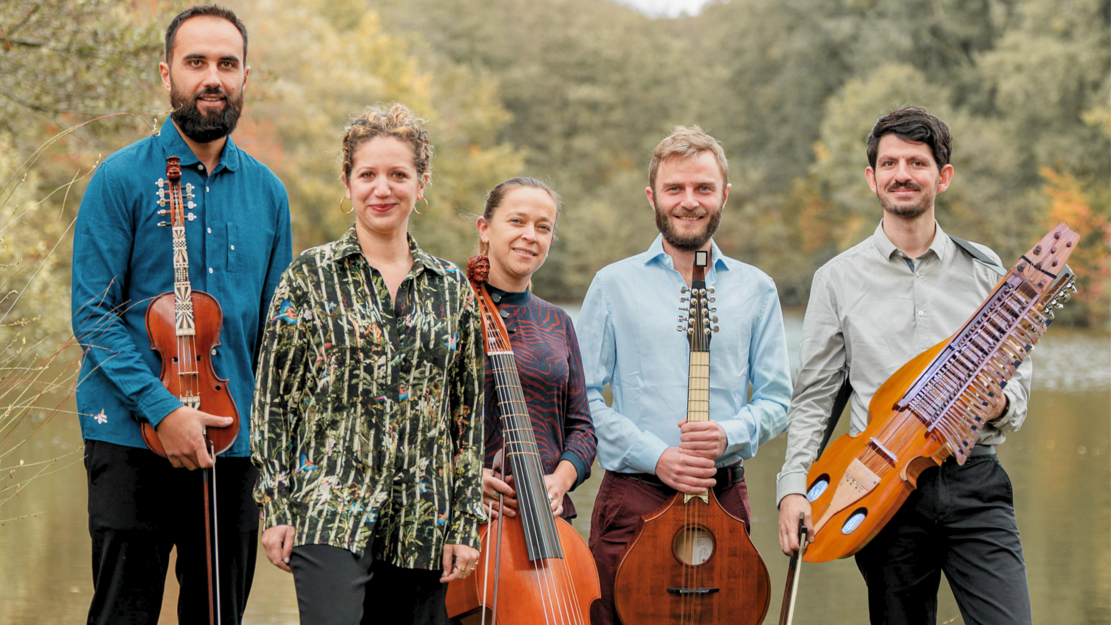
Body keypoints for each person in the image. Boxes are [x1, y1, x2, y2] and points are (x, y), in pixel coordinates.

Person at [70, 6, 292, 623]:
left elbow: (278, 335)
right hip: (127, 434)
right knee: (123, 614)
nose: (211, 77)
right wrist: (163, 411)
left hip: (233, 443)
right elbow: (91, 314)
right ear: (167, 74)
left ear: (246, 75)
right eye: (196, 62)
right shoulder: (119, 178)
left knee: (218, 615)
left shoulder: (270, 193)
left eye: (226, 63)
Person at [776, 105, 1032, 625]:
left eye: (916, 162)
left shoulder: (986, 271)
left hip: (974, 478)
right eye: (889, 163)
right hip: (878, 485)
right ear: (872, 179)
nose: (902, 174)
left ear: (943, 176)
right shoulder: (836, 278)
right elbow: (816, 399)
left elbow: (1018, 381)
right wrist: (793, 486)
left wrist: (1001, 402)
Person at [251, 102, 485, 624]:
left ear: (421, 184)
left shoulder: (452, 289)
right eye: (368, 174)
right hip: (329, 505)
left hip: (426, 515)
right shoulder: (307, 278)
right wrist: (276, 506)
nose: (383, 188)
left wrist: (466, 523)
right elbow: (273, 403)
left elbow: (467, 420)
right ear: (348, 181)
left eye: (398, 175)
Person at [576, 125, 793, 625]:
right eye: (675, 189)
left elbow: (779, 400)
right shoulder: (612, 284)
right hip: (633, 499)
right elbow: (583, 401)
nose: (688, 202)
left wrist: (729, 433)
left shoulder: (757, 290)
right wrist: (658, 457)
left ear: (724, 195)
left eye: (703, 188)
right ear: (653, 196)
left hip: (723, 494)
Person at [472, 178, 597, 523]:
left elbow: (583, 427)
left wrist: (561, 480)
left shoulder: (558, 321)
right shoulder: (452, 311)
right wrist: (464, 478)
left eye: (543, 227)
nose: (530, 235)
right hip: (469, 519)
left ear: (550, 241)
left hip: (548, 520)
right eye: (517, 221)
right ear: (485, 229)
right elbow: (421, 425)